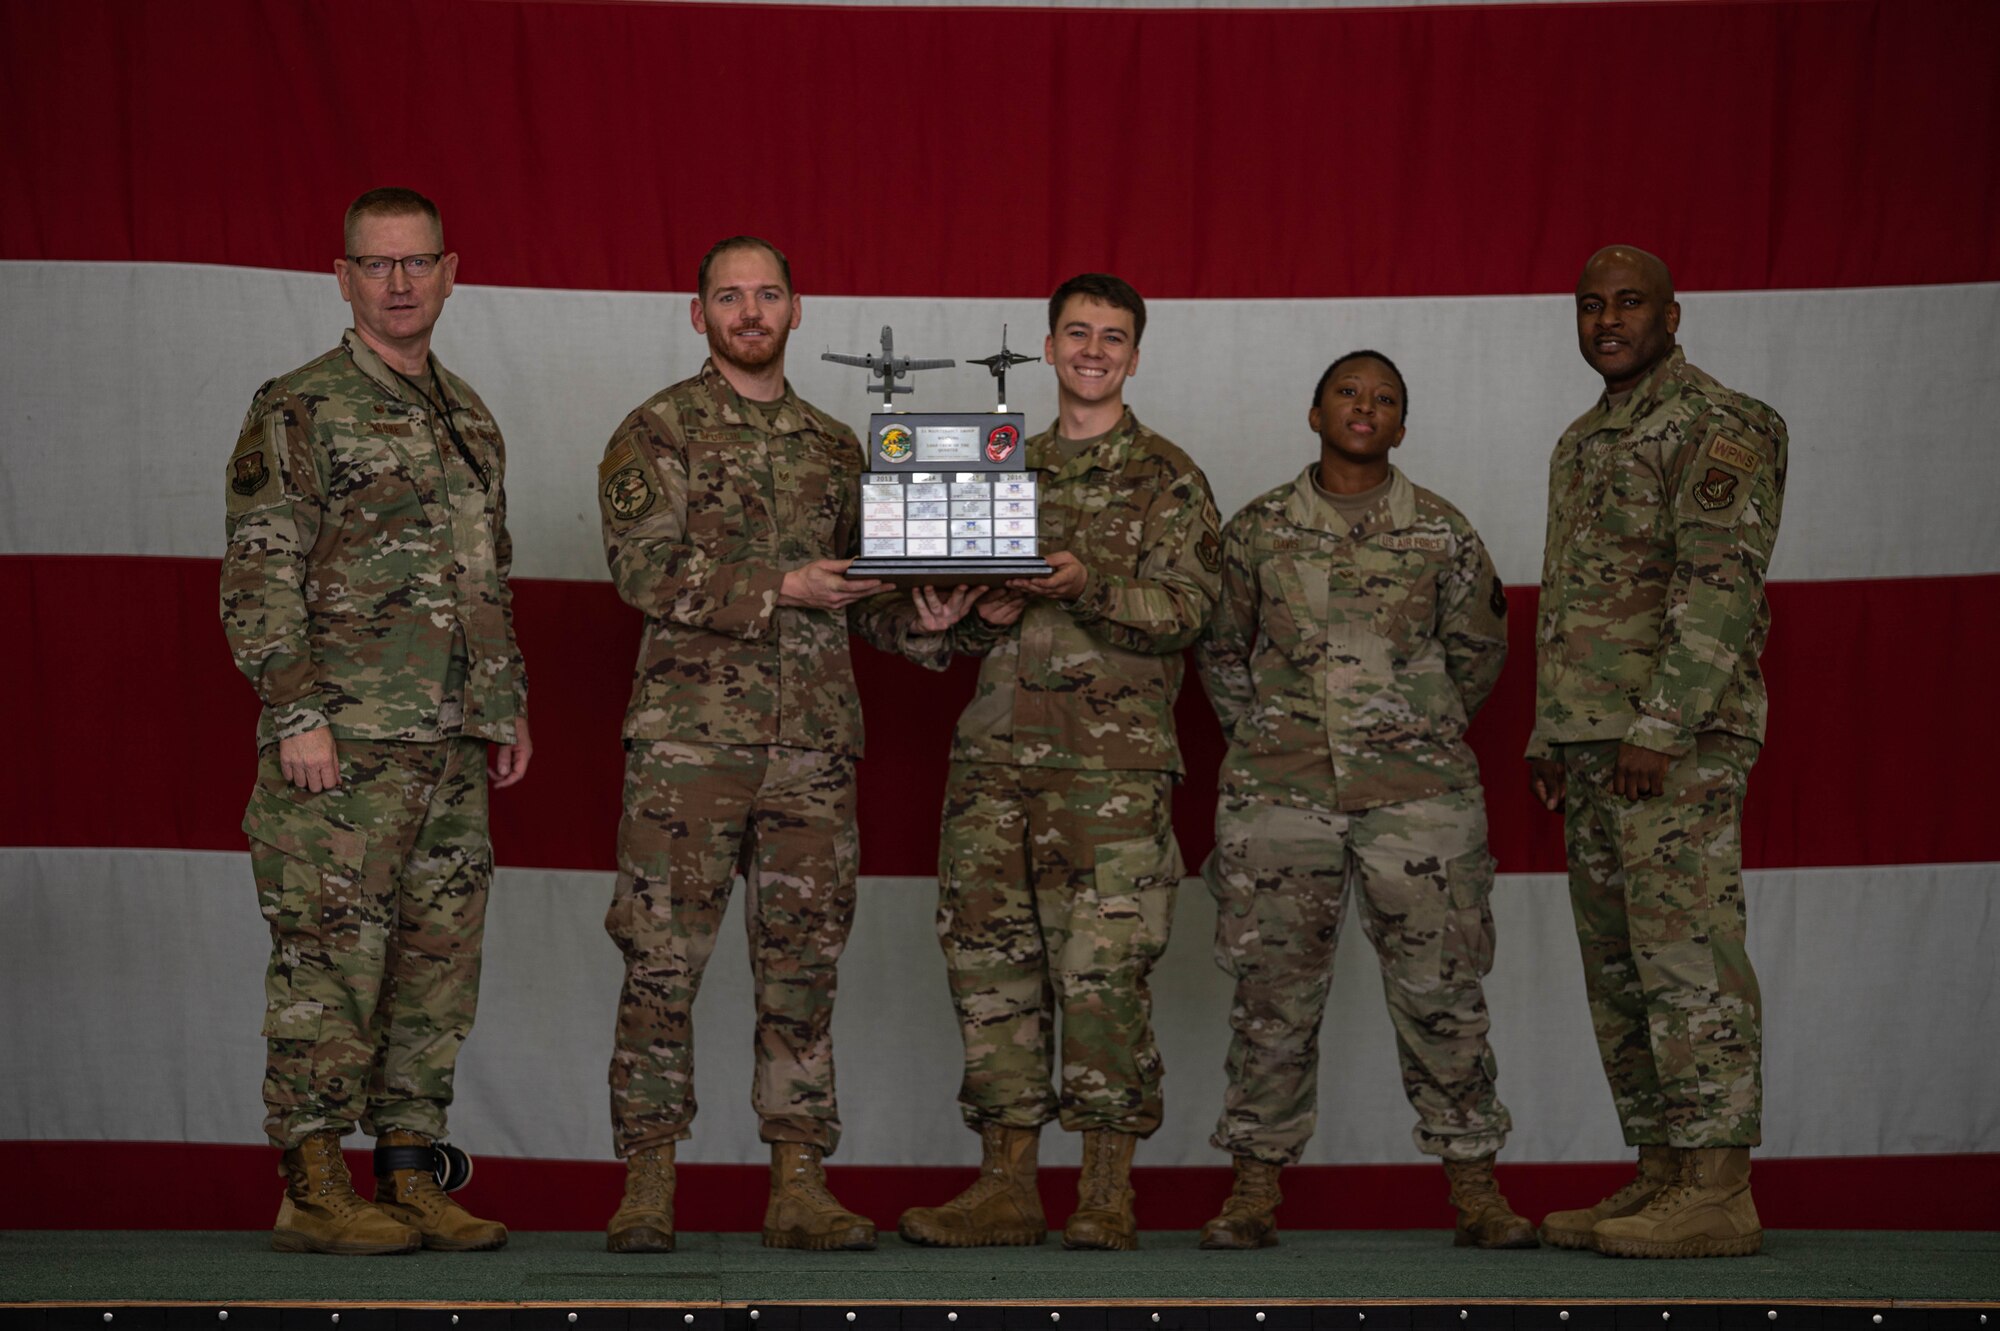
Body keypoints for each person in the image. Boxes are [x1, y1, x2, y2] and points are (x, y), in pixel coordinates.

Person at [595, 236, 974, 1255]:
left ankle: (798, 1182)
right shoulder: (656, 430)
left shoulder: (835, 445)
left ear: (796, 311)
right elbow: (641, 570)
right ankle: (646, 1181)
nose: (750, 311)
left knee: (803, 970)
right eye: (730, 296)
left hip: (810, 744)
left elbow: (863, 597)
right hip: (690, 745)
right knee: (661, 964)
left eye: (767, 295)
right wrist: (780, 588)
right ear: (698, 312)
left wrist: (924, 624)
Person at [220, 186, 530, 1255]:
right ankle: (313, 1183)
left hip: (445, 745)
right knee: (327, 963)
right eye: (377, 264)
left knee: (434, 966)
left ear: (450, 272)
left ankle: (407, 1174)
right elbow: (259, 575)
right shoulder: (298, 407)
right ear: (342, 277)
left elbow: (488, 575)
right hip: (339, 745)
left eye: (417, 263)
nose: (399, 283)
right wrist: (295, 712)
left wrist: (503, 700)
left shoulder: (469, 411)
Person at [896, 274, 1222, 1252]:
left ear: (1134, 354)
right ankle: (1003, 1184)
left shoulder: (1167, 477)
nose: (1091, 348)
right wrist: (942, 618)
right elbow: (934, 630)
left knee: (1103, 978)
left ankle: (1105, 1189)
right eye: (1075, 332)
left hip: (1110, 777)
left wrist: (1084, 584)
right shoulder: (994, 466)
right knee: (988, 972)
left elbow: (1190, 610)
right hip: (995, 768)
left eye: (1111, 335)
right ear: (1046, 347)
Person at [1192, 351, 1535, 1251]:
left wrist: (1411, 727)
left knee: (1444, 994)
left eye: (1384, 398)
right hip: (1281, 796)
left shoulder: (1444, 534)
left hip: (1418, 801)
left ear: (1402, 426)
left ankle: (1477, 1190)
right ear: (1314, 413)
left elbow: (1479, 654)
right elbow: (1221, 651)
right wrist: (1270, 733)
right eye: (1348, 392)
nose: (1364, 407)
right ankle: (1253, 1190)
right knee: (1272, 998)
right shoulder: (1257, 529)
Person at [1529, 246, 1788, 1259]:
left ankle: (1719, 1185)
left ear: (1672, 317)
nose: (1605, 320)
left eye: (1627, 303)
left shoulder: (1718, 423)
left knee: (1687, 957)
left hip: (1666, 742)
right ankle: (1663, 1168)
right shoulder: (1583, 438)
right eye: (1589, 304)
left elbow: (1718, 585)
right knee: (1620, 967)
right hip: (1591, 740)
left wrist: (1660, 726)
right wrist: (1549, 729)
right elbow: (1576, 596)